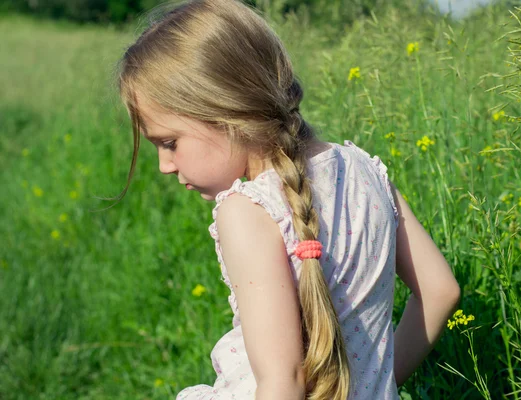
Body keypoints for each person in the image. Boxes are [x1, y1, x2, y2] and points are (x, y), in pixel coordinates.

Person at [114, 0, 461, 399]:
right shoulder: (366, 170)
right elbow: (440, 292)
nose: (164, 165)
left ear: (225, 111)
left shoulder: (247, 210)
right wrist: (374, 386)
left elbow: (283, 383)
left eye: (170, 143)